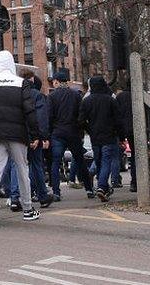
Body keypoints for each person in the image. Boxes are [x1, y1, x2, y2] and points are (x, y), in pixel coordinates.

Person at [0, 50, 46, 226]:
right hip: (17, 134)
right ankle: (27, 208)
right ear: (11, 64)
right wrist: (35, 134)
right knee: (22, 169)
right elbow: (29, 110)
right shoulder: (21, 83)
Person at [48, 69, 93, 200]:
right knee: (80, 161)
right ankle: (89, 189)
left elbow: (49, 116)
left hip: (58, 133)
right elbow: (81, 115)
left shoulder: (51, 96)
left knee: (55, 163)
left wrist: (48, 133)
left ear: (56, 82)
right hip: (73, 132)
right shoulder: (76, 95)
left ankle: (56, 192)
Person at [80, 76, 122, 201]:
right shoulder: (110, 101)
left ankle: (102, 185)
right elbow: (118, 120)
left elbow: (81, 120)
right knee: (106, 161)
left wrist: (90, 130)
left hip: (95, 137)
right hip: (109, 136)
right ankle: (102, 186)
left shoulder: (86, 101)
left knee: (98, 161)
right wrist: (121, 134)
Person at [18, 70, 53, 209]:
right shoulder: (37, 96)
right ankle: (42, 196)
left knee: (17, 167)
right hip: (33, 135)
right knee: (36, 165)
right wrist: (41, 136)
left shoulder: (16, 93)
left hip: (18, 135)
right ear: (32, 79)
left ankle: (16, 197)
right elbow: (41, 118)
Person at [114, 81, 136, 191]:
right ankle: (135, 182)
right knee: (136, 156)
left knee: (118, 156)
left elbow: (117, 116)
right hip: (136, 128)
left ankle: (132, 182)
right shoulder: (139, 95)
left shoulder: (120, 97)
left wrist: (121, 136)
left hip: (124, 128)